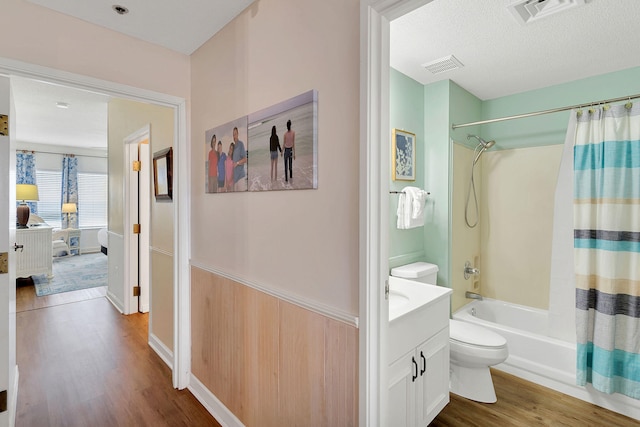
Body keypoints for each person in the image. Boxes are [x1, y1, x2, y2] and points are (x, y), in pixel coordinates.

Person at [231, 127, 247, 191]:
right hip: (234, 179)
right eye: (233, 134)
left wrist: (237, 163)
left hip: (240, 177)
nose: (234, 135)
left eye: (235, 134)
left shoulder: (241, 144)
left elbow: (245, 159)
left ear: (238, 134)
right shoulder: (233, 147)